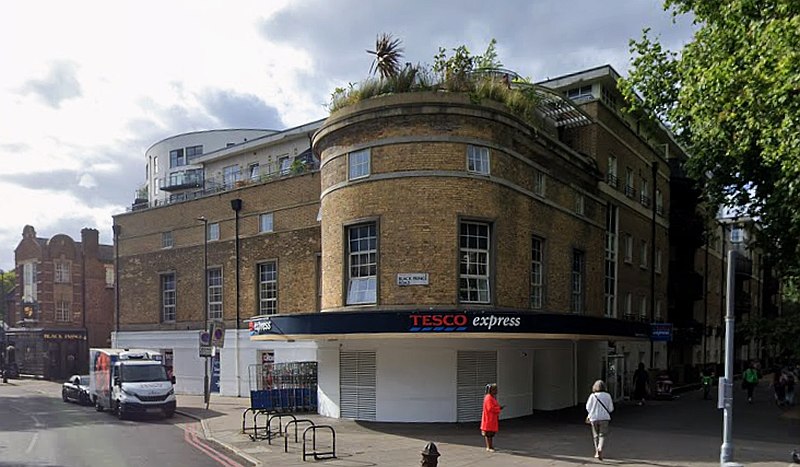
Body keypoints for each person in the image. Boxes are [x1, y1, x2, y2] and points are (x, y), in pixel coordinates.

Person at [586, 379, 614, 461]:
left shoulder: (592, 396)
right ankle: (600, 448)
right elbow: (611, 408)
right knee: (602, 435)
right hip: (604, 418)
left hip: (594, 418)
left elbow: (588, 407)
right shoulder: (607, 396)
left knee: (595, 435)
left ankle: (596, 452)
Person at [480, 383, 503, 452]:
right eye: (495, 390)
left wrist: (498, 407)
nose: (496, 391)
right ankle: (489, 447)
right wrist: (498, 408)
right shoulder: (488, 398)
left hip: (492, 418)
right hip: (489, 418)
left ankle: (490, 446)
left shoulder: (491, 397)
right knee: (488, 433)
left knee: (491, 433)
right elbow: (490, 408)